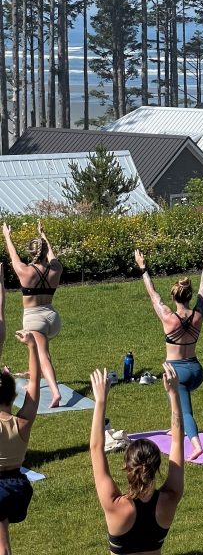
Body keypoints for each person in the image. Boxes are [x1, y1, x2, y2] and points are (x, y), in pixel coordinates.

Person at [89, 362, 185, 555]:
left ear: (127, 466)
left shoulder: (114, 505)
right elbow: (177, 441)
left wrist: (100, 400)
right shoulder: (170, 498)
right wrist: (174, 394)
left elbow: (96, 448)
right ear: (157, 466)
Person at [135, 245, 203, 462]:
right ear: (188, 296)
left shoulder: (168, 317)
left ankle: (196, 444)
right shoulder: (198, 314)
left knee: (185, 409)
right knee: (173, 395)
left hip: (178, 373)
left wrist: (143, 268)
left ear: (174, 297)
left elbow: (153, 294)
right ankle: (173, 426)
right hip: (196, 370)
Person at [2, 221, 63, 408]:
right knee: (39, 352)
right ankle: (34, 377)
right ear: (45, 252)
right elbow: (53, 257)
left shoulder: (25, 271)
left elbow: (12, 255)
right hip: (52, 318)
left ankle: (55, 392)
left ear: (31, 253)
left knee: (43, 355)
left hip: (35, 319)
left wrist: (7, 235)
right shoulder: (56, 269)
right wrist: (43, 236)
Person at [0, 327, 41, 553]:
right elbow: (34, 386)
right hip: (18, 488)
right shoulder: (21, 423)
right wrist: (32, 346)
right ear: (13, 397)